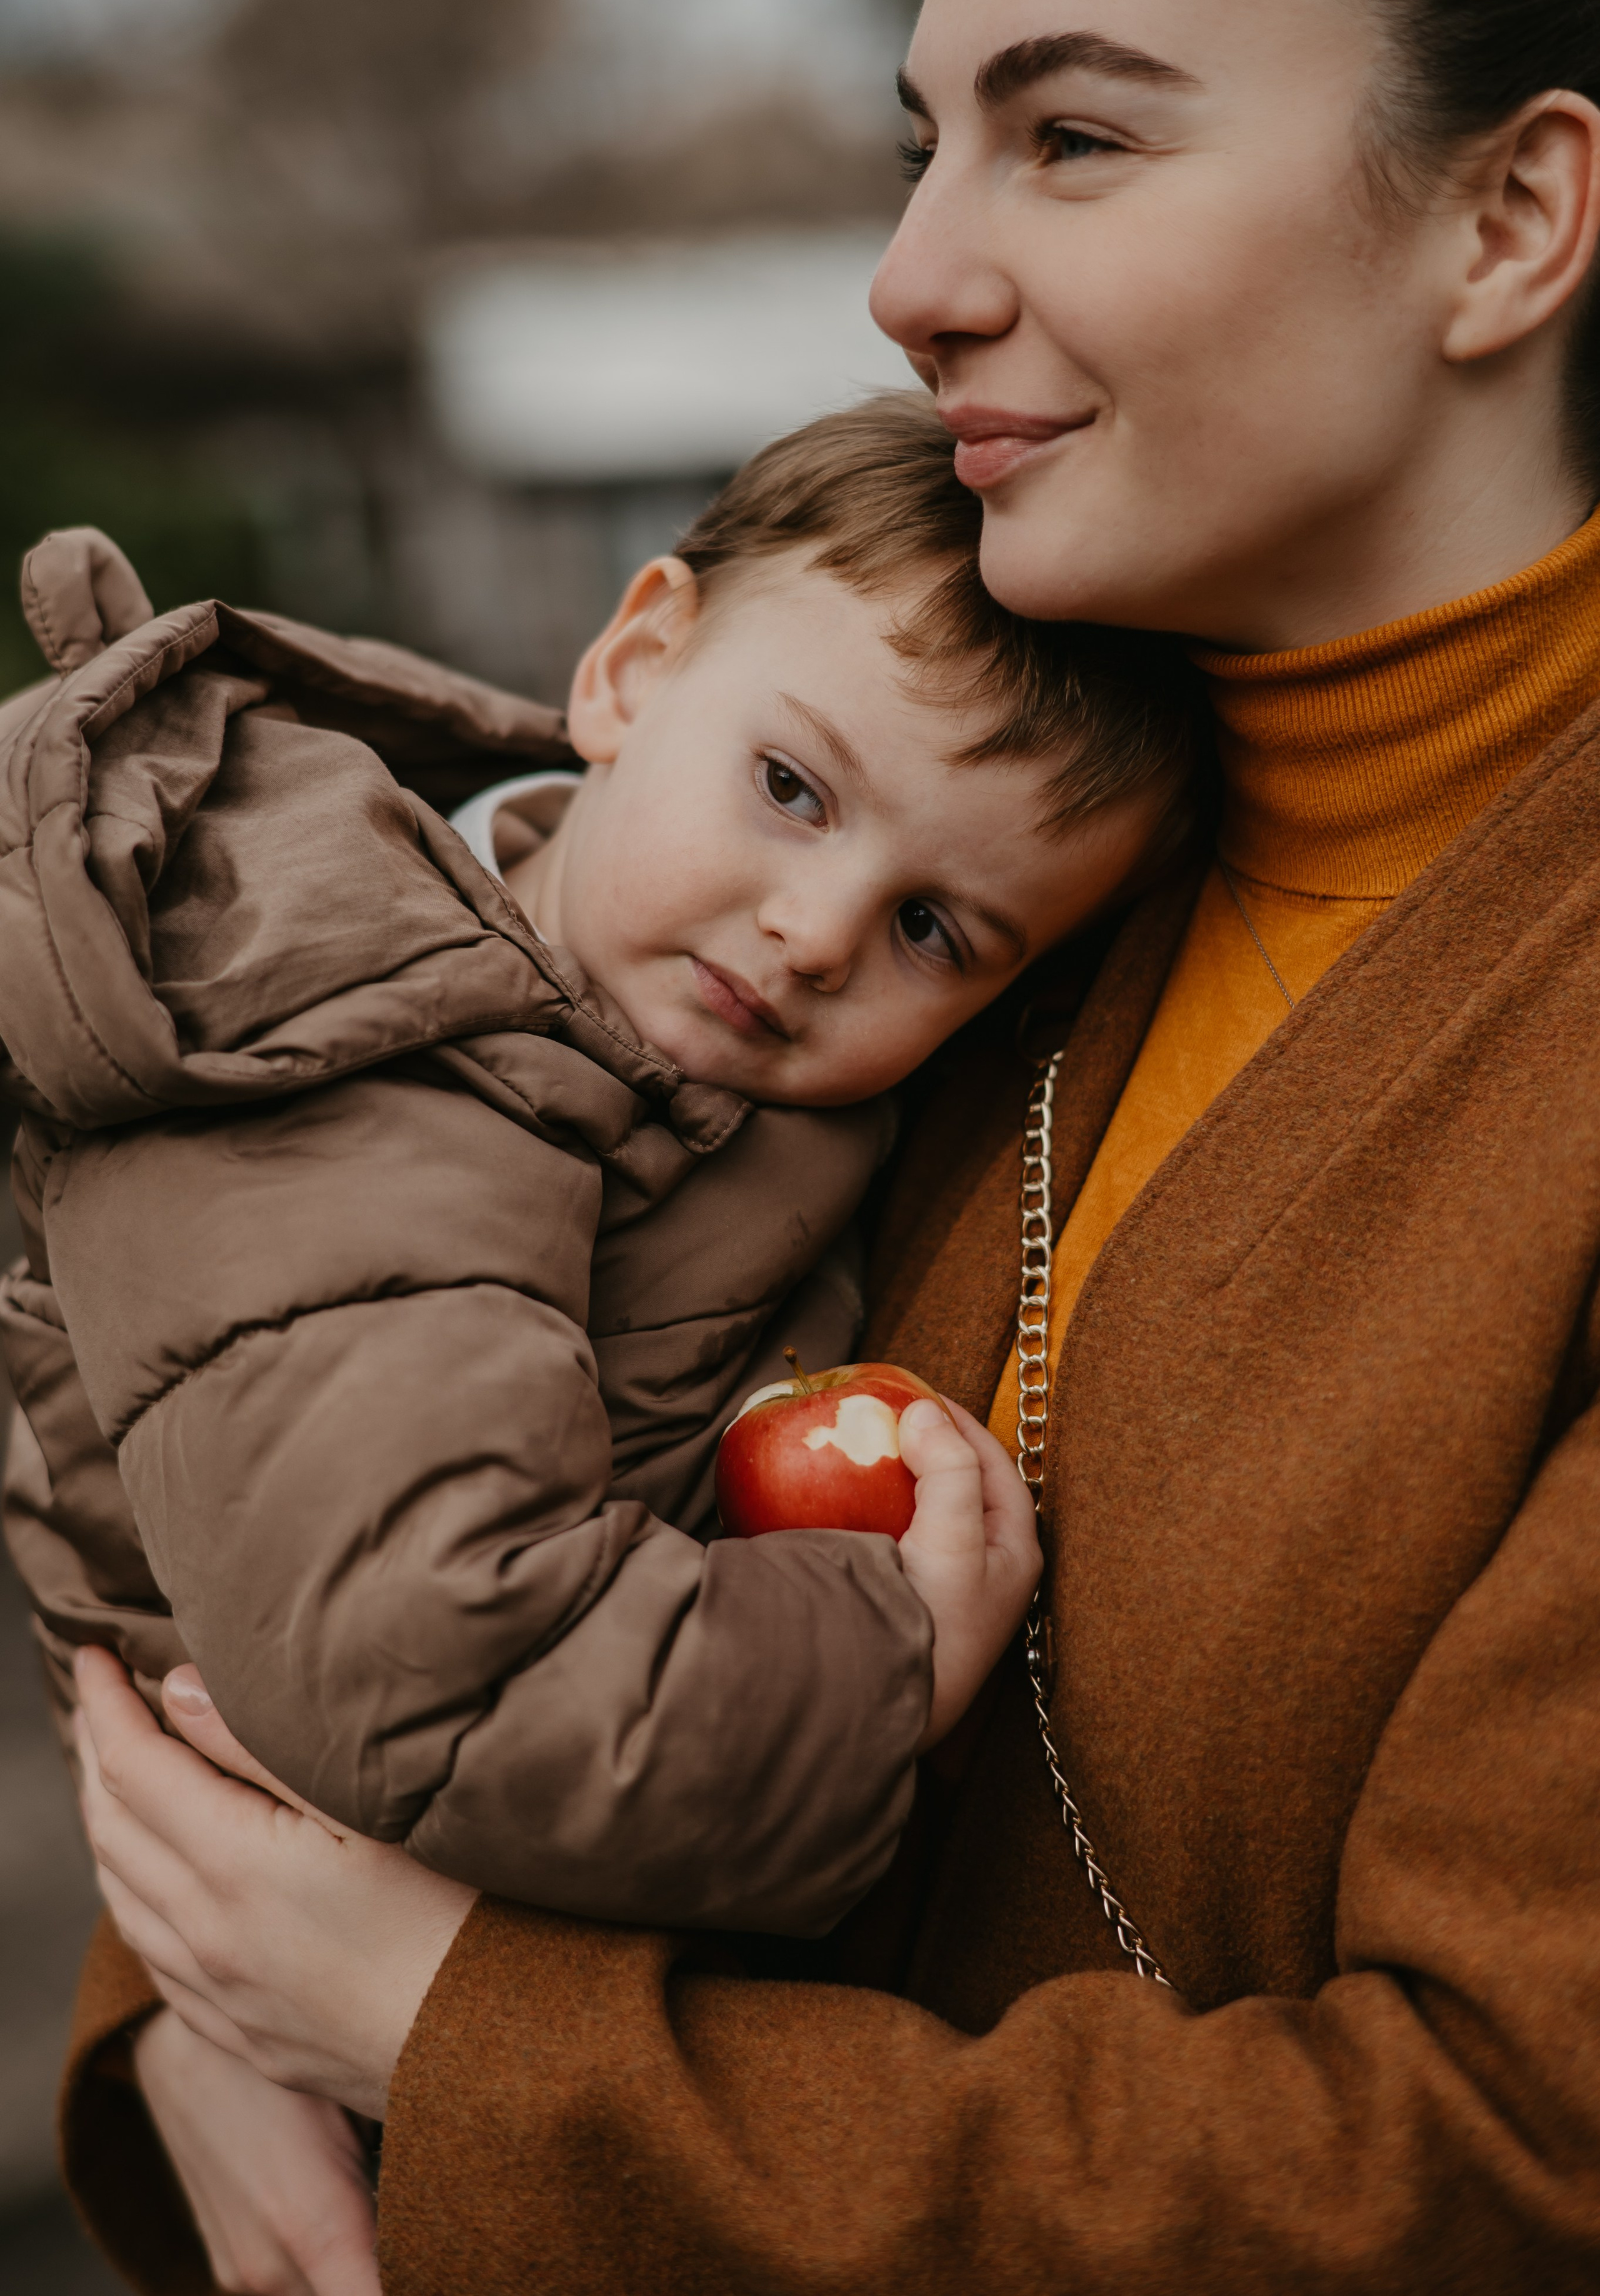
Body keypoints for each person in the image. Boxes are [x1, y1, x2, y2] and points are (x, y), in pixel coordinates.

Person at [43, 0, 1600, 2287]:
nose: (911, 275)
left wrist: (467, 2052)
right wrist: (202, 2013)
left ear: (1506, 220)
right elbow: (393, 1408)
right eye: (920, 143)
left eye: (1072, 134)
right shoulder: (984, 823)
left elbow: (1511, 2163)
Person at [0, 395, 1194, 1953]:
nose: (818, 932)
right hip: (347, 1882)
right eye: (790, 789)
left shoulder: (667, 1049)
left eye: (932, 930)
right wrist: (879, 1664)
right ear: (632, 667)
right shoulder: (341, 1058)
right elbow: (439, 1667)